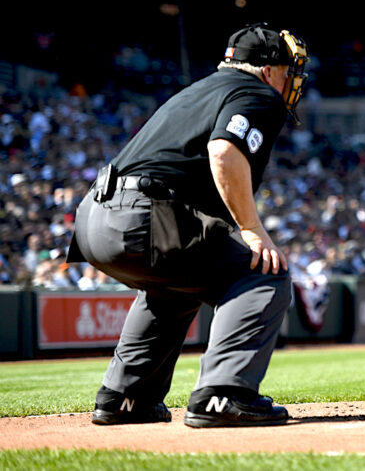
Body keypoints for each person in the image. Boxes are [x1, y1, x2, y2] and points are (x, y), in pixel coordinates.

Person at [65, 23, 311, 428]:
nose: (291, 81)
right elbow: (224, 150)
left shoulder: (199, 90)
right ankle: (223, 395)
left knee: (176, 287)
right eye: (288, 71)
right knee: (265, 273)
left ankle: (126, 398)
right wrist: (252, 229)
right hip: (141, 214)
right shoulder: (258, 93)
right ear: (268, 70)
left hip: (95, 215)